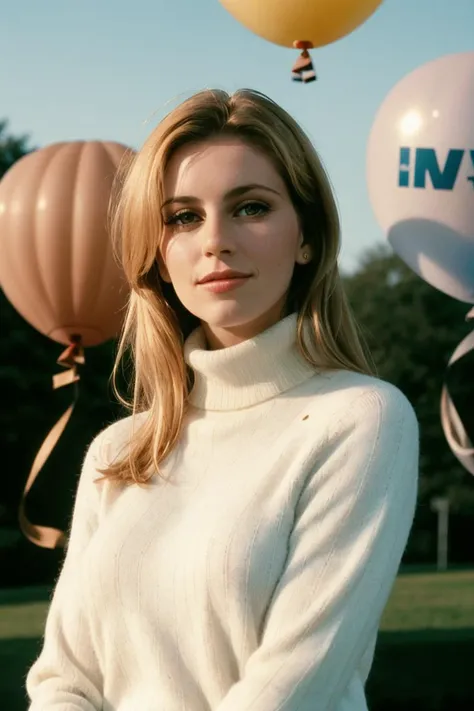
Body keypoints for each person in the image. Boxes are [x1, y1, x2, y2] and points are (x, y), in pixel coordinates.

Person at [26, 88, 419, 711]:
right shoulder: (117, 451)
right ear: (158, 253)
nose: (215, 241)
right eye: (183, 217)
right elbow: (62, 682)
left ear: (307, 237)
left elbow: (292, 686)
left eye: (251, 207)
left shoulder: (361, 419)